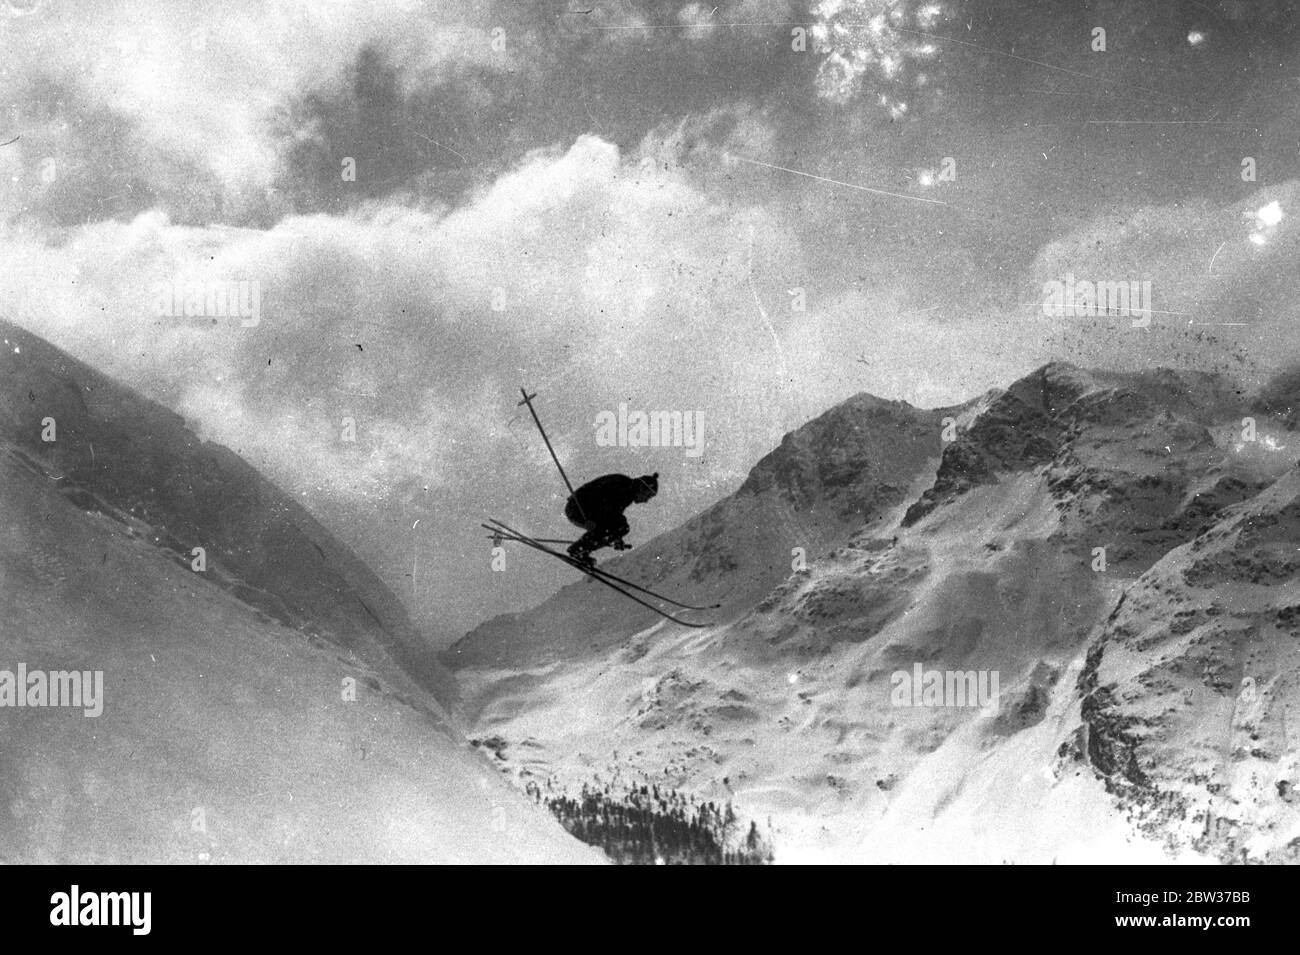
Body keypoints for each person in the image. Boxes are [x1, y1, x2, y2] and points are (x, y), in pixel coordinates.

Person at [564, 472, 658, 566]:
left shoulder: (626, 488)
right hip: (579, 508)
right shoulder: (623, 487)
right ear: (642, 488)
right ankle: (578, 550)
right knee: (621, 526)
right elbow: (610, 511)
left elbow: (613, 514)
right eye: (648, 495)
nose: (646, 500)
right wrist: (614, 534)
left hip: (580, 507)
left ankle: (581, 549)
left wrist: (616, 537)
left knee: (619, 526)